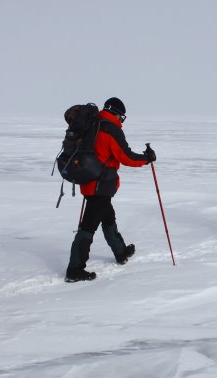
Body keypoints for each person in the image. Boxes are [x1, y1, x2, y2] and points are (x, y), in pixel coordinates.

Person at [65, 97, 154, 282]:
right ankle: (75, 269)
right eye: (122, 117)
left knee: (108, 217)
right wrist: (146, 159)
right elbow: (126, 157)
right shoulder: (110, 129)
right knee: (88, 227)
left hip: (90, 181)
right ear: (117, 114)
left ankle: (120, 252)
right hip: (101, 185)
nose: (122, 121)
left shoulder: (93, 124)